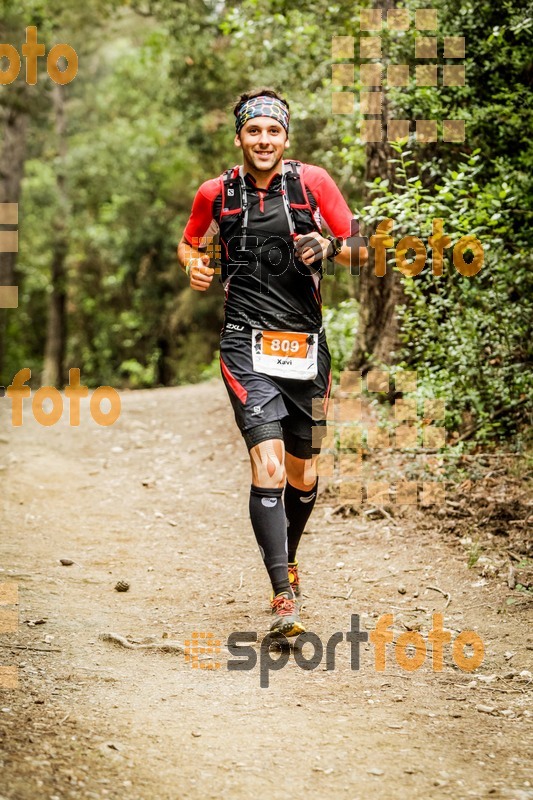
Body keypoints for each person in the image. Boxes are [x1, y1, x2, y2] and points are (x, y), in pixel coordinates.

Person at [177, 88, 368, 638]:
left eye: (273, 132)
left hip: (305, 346)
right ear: (239, 137)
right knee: (268, 465)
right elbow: (188, 243)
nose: (264, 140)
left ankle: (288, 558)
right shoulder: (217, 193)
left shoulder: (313, 185)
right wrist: (195, 264)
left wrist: (330, 248)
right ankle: (283, 597)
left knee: (304, 476)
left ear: (287, 137)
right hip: (244, 343)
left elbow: (361, 243)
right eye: (253, 131)